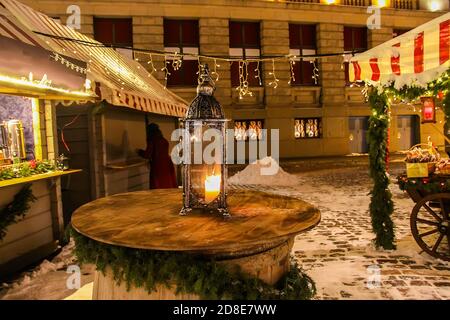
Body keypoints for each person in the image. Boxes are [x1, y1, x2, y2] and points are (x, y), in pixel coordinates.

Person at [137, 123, 177, 189]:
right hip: (167, 163)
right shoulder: (163, 139)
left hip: (158, 165)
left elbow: (147, 154)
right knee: (168, 182)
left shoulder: (152, 140)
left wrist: (139, 152)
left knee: (158, 184)